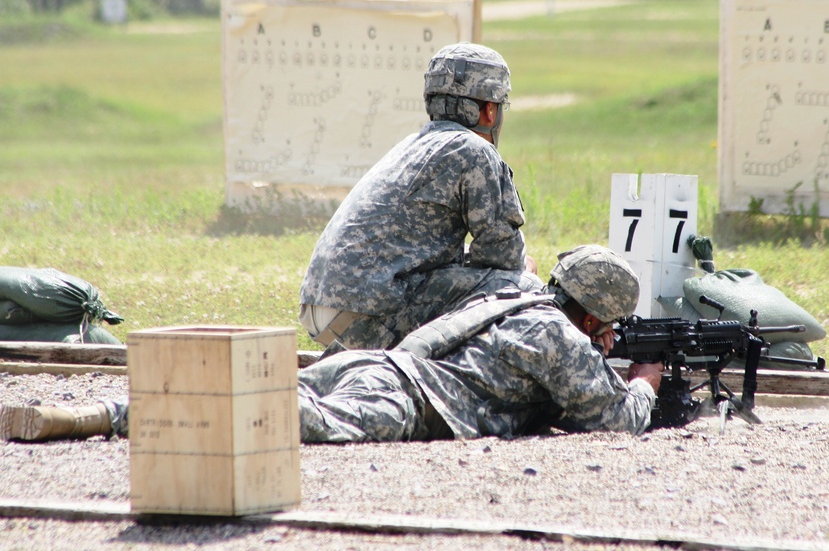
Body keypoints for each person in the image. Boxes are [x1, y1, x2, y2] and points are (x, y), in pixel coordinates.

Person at [1, 246, 663, 443]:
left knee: (267, 393)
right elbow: (617, 419)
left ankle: (111, 408)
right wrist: (647, 377)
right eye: (604, 325)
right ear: (594, 315)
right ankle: (92, 419)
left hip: (374, 363)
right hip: (404, 396)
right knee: (272, 419)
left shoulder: (515, 299)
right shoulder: (555, 334)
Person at [299, 42, 535, 355]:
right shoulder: (475, 152)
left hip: (325, 307)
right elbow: (504, 258)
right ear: (490, 110)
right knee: (522, 288)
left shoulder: (415, 144)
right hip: (367, 313)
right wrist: (525, 269)